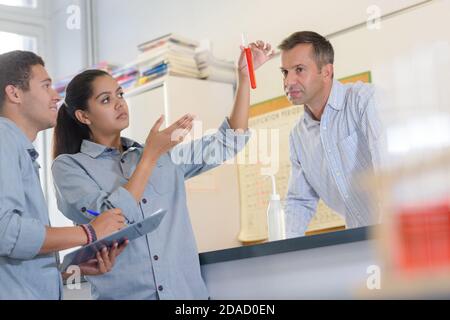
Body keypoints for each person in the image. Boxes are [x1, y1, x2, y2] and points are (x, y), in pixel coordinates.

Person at [51, 42, 274, 299]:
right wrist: (150, 156)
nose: (119, 104)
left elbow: (229, 142)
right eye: (106, 99)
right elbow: (108, 219)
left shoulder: (162, 155)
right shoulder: (70, 167)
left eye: (120, 94)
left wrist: (244, 78)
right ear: (83, 116)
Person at [0, 51, 128, 300]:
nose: (55, 95)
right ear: (14, 93)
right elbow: (5, 232)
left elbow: (15, 266)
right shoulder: (3, 139)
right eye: (46, 86)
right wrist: (89, 232)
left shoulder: (19, 151)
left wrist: (71, 271)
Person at [277, 31, 385, 238]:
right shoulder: (298, 136)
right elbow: (300, 201)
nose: (289, 81)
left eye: (299, 70)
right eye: (284, 72)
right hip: (359, 244)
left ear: (326, 72)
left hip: (402, 238)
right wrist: (284, 253)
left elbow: (389, 175)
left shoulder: (365, 101)